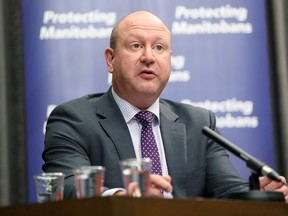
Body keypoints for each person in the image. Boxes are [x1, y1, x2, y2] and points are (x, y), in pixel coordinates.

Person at [42, 10, 288, 202]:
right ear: (111, 59)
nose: (149, 57)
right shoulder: (74, 119)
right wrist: (125, 199)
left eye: (159, 47)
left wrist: (260, 195)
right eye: (136, 46)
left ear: (169, 59)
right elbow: (67, 185)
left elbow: (227, 189)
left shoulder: (199, 123)